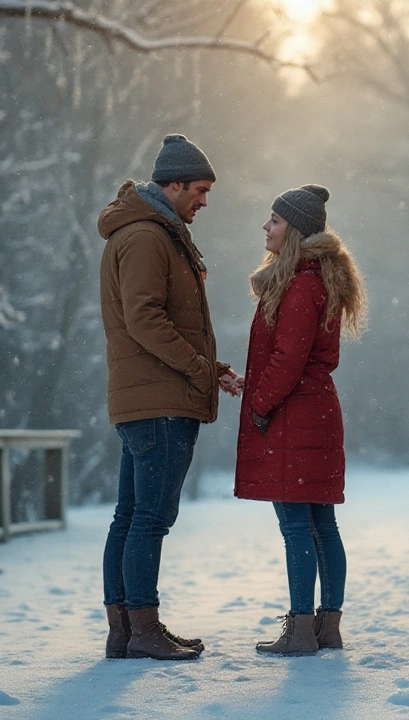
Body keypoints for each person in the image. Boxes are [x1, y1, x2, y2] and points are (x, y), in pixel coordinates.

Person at [97, 134, 240, 661]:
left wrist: (212, 367)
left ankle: (127, 630)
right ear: (173, 185)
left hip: (147, 397)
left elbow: (164, 320)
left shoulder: (149, 233)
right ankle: (143, 630)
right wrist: (199, 369)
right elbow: (145, 320)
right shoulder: (147, 237)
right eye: (199, 190)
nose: (204, 201)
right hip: (160, 403)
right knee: (149, 519)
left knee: (130, 517)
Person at [234, 184, 367, 656]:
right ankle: (326, 627)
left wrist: (258, 404)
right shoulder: (316, 279)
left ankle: (301, 629)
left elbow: (288, 358)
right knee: (321, 525)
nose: (265, 227)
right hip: (315, 411)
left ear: (295, 230)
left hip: (293, 415)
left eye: (274, 220)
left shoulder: (300, 284)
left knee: (297, 526)